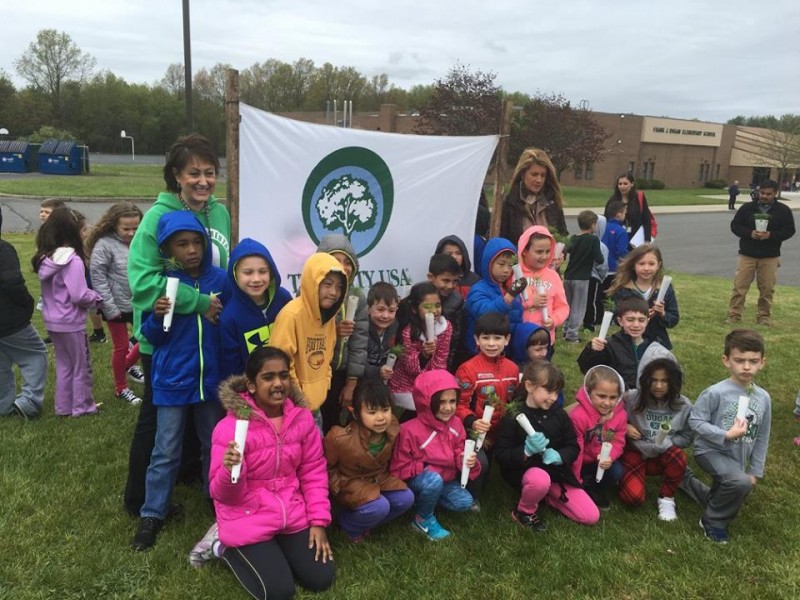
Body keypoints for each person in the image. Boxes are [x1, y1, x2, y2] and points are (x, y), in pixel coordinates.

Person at [124, 133, 231, 517]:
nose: (202, 180)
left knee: (202, 414)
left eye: (210, 172)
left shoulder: (219, 213)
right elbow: (143, 283)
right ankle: (139, 499)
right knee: (156, 419)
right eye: (193, 173)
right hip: (166, 338)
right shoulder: (156, 218)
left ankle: (192, 477)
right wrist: (198, 302)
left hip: (209, 336)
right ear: (176, 175)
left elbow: (224, 267)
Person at [131, 211, 231, 551]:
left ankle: (215, 499)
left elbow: (230, 324)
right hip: (173, 380)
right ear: (169, 249)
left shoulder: (222, 280)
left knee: (211, 445)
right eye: (182, 244)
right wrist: (158, 318)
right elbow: (150, 336)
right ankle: (152, 513)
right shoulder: (165, 285)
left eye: (196, 242)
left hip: (211, 382)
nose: (191, 250)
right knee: (166, 450)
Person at [209, 346, 335, 598]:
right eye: (268, 377)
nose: (278, 383)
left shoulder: (302, 420)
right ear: (251, 385)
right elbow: (222, 494)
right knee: (278, 592)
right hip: (246, 514)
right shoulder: (230, 428)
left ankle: (276, 546)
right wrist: (231, 469)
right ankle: (222, 547)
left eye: (284, 375)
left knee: (321, 577)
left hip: (290, 511)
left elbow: (313, 471)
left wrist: (318, 521)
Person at [685, 329, 771, 543]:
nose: (747, 367)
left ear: (762, 362)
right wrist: (724, 434)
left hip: (738, 455)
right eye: (740, 360)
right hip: (710, 450)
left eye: (753, 361)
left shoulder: (763, 398)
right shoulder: (716, 392)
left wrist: (755, 470)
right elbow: (695, 421)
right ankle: (713, 521)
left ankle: (685, 480)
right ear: (726, 360)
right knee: (739, 484)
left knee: (730, 486)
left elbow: (762, 435)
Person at [495, 361, 600, 531]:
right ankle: (524, 511)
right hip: (526, 473)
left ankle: (547, 496)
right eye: (549, 391)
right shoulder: (514, 415)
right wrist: (526, 451)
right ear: (529, 386)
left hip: (556, 474)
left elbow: (573, 446)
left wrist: (560, 456)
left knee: (590, 516)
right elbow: (501, 455)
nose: (553, 397)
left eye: (557, 392)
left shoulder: (559, 414)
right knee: (539, 479)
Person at [390, 370, 481, 541]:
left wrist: (465, 460)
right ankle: (422, 519)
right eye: (441, 402)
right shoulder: (409, 430)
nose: (448, 408)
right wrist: (426, 469)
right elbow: (398, 467)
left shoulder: (456, 425)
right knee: (433, 481)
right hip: (420, 479)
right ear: (425, 402)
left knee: (464, 502)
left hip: (445, 480)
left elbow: (458, 451)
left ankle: (426, 501)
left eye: (452, 401)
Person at [33, 207, 102, 417]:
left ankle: (63, 407)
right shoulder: (73, 260)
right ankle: (82, 407)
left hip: (52, 321)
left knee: (65, 365)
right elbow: (79, 294)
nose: (85, 234)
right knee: (81, 366)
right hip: (71, 322)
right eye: (82, 231)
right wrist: (96, 297)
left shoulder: (47, 258)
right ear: (72, 232)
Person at [325, 379, 414, 542]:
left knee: (406, 498)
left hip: (379, 479)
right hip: (351, 483)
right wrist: (337, 488)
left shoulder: (393, 427)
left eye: (385, 410)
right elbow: (326, 467)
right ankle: (348, 524)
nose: (380, 418)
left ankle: (366, 522)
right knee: (380, 507)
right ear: (355, 413)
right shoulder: (339, 438)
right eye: (372, 412)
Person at [269, 253, 346, 425]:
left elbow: (327, 355)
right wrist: (299, 397)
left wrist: (324, 384)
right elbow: (279, 362)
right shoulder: (291, 315)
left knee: (314, 450)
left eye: (339, 287)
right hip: (290, 407)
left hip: (316, 404)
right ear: (313, 282)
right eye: (327, 284)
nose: (334, 292)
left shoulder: (329, 316)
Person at [619, 346, 693, 521]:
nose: (659, 386)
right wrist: (625, 427)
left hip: (663, 454)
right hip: (636, 452)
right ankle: (627, 479)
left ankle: (667, 498)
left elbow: (687, 437)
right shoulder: (630, 398)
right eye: (653, 380)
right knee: (633, 498)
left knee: (678, 457)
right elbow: (610, 419)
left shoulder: (683, 405)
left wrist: (668, 442)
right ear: (643, 380)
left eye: (665, 381)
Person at [455, 312, 518, 502]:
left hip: (502, 431)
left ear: (507, 340)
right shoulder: (467, 369)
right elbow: (459, 404)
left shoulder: (513, 369)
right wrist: (473, 423)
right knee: (479, 463)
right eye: (485, 338)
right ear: (476, 339)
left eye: (497, 338)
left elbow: (513, 402)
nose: (491, 343)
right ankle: (470, 497)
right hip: (473, 431)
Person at [87, 202, 145, 405]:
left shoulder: (144, 241)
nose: (131, 233)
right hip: (116, 306)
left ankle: (128, 364)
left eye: (135, 228)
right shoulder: (104, 245)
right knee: (120, 347)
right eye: (126, 229)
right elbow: (98, 276)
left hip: (140, 303)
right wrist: (110, 308)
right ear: (114, 225)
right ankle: (121, 388)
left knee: (146, 337)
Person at [219, 237, 292, 381]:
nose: (256, 279)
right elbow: (231, 366)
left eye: (262, 271)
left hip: (287, 382)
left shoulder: (283, 298)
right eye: (248, 272)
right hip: (252, 391)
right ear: (234, 275)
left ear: (271, 272)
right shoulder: (229, 317)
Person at [725, 179, 796, 326]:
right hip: (747, 253)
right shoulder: (747, 208)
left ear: (774, 194)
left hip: (770, 255)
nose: (764, 196)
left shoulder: (783, 210)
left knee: (767, 288)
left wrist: (771, 235)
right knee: (740, 286)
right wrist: (750, 233)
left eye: (768, 194)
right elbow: (735, 226)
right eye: (762, 193)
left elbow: (790, 230)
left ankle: (763, 316)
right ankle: (734, 314)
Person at [317, 235, 368, 433]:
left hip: (341, 373)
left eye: (348, 262)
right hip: (317, 372)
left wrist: (352, 381)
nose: (343, 266)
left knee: (333, 421)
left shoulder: (357, 298)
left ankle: (333, 460)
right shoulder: (310, 295)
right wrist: (334, 333)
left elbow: (360, 342)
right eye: (336, 260)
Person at [0, 205, 47, 420]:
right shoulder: (3, 249)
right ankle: (29, 402)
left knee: (1, 363)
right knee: (35, 354)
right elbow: (12, 283)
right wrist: (27, 304)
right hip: (9, 319)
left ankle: (3, 404)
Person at [387, 282, 452, 413]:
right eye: (427, 307)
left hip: (432, 380)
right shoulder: (409, 332)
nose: (434, 311)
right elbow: (410, 367)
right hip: (407, 384)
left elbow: (441, 359)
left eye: (438, 306)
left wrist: (435, 385)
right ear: (415, 309)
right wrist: (424, 355)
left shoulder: (445, 328)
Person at [570, 365, 627, 509]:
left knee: (616, 471)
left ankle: (595, 488)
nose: (607, 402)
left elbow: (618, 441)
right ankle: (581, 486)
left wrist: (610, 457)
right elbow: (576, 447)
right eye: (601, 396)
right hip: (579, 461)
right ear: (589, 393)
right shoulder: (578, 416)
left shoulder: (620, 416)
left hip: (600, 461)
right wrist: (576, 479)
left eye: (613, 397)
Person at [578, 296, 664, 390]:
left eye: (641, 320)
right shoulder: (609, 345)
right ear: (620, 321)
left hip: (647, 395)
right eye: (630, 320)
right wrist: (592, 350)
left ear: (647, 321)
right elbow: (587, 369)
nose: (636, 325)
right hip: (618, 395)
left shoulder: (653, 346)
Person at [608, 244, 679, 349]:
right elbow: (616, 317)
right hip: (629, 343)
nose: (646, 268)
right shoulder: (624, 290)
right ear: (633, 265)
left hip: (658, 342)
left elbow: (673, 318)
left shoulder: (665, 289)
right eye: (641, 264)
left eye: (651, 264)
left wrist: (662, 314)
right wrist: (635, 316)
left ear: (658, 265)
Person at [464, 237, 525, 356]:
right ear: (488, 263)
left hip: (506, 347)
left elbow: (517, 318)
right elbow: (484, 313)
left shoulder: (510, 288)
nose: (506, 270)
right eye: (501, 264)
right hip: (481, 350)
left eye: (510, 265)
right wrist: (507, 298)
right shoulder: (478, 289)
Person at [499, 147, 569, 247]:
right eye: (534, 174)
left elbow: (563, 236)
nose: (539, 180)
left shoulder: (553, 203)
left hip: (549, 262)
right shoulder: (509, 204)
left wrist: (561, 252)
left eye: (543, 175)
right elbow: (499, 242)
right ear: (522, 174)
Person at [517, 225, 570, 345]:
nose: (544, 256)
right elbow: (508, 303)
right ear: (524, 251)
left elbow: (563, 307)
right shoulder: (516, 275)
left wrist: (553, 320)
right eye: (539, 252)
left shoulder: (553, 276)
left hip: (545, 340)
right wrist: (530, 301)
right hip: (519, 338)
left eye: (547, 251)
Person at [562, 211, 604, 343]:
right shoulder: (593, 240)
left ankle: (565, 328)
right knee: (578, 307)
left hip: (568, 276)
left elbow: (565, 250)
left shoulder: (573, 238)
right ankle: (572, 335)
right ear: (592, 225)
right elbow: (600, 259)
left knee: (568, 304)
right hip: (582, 278)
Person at [426, 252, 464, 371]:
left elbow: (455, 338)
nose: (450, 286)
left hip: (444, 360)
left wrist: (449, 366)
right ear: (431, 277)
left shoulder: (457, 301)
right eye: (445, 280)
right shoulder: (420, 295)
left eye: (454, 281)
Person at [604, 172, 657, 243]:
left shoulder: (639, 198)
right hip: (617, 239)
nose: (622, 186)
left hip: (635, 240)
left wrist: (647, 240)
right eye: (620, 184)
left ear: (632, 184)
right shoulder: (612, 201)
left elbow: (646, 220)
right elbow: (606, 221)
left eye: (625, 184)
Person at [363, 282, 400, 382]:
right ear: (368, 309)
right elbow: (355, 362)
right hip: (360, 382)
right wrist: (377, 371)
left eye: (391, 311)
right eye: (380, 309)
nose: (385, 316)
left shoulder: (395, 327)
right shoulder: (361, 328)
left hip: (384, 381)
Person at [583, 214, 609, 331]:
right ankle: (591, 323)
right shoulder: (601, 246)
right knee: (592, 301)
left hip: (579, 276)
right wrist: (601, 277)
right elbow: (603, 266)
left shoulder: (583, 240)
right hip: (593, 277)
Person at [435, 234, 481, 300]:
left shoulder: (475, 280)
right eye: (449, 254)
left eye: (458, 253)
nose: (454, 257)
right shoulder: (436, 278)